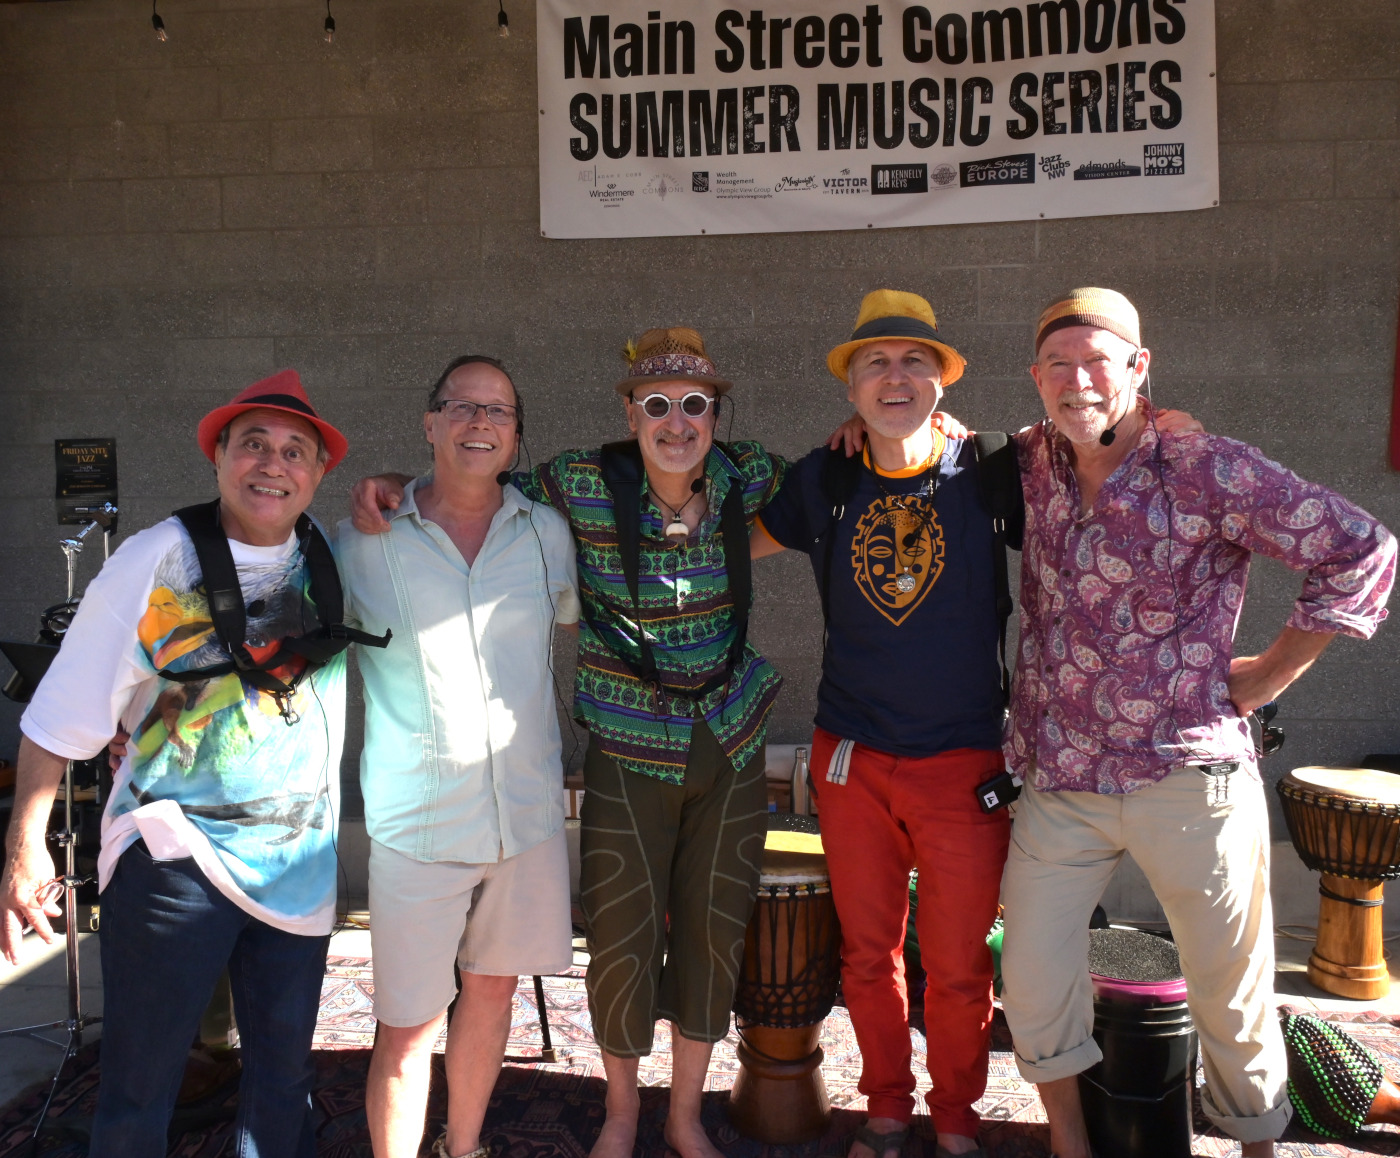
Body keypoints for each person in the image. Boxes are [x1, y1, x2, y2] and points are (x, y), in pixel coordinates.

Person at [350, 328, 787, 1158]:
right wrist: (394, 485)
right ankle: (620, 1113)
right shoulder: (575, 484)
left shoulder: (749, 475)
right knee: (620, 937)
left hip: (729, 734)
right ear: (629, 413)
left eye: (696, 404)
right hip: (626, 738)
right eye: (656, 404)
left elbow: (836, 487)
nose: (677, 421)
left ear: (716, 414)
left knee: (713, 929)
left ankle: (684, 1117)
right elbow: (473, 476)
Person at [998, 288, 1397, 1158]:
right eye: (1058, 364)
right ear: (1035, 377)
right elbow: (926, 448)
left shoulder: (1207, 467)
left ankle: (1255, 1146)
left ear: (1140, 367)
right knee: (1030, 977)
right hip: (1061, 775)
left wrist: (1274, 670)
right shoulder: (1028, 458)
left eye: (1097, 360)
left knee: (1230, 989)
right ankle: (1069, 1144)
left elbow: (1361, 547)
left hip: (1187, 774)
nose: (1077, 380)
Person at [0, 371, 381, 1158]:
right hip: (173, 858)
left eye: (295, 451)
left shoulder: (327, 549)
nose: (273, 465)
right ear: (218, 456)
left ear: (319, 473)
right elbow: (62, 710)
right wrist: (24, 848)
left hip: (297, 864)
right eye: (253, 445)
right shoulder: (155, 558)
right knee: (141, 1085)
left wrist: (400, 483)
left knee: (282, 1085)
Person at [750, 290, 1009, 1158]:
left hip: (963, 758)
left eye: (913, 362)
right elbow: (727, 543)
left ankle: (958, 1116)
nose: (895, 378)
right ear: (850, 387)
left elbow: (1099, 476)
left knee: (961, 964)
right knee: (868, 955)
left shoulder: (993, 470)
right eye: (876, 364)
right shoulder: (823, 477)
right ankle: (889, 1109)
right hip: (851, 755)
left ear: (943, 380)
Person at [336, 355, 580, 1158]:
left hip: (526, 816)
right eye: (463, 406)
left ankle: (463, 1146)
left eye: (499, 411)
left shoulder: (547, 534)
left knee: (492, 995)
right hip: (419, 824)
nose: (481, 422)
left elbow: (571, 619)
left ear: (516, 432)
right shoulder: (361, 541)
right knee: (407, 1024)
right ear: (430, 423)